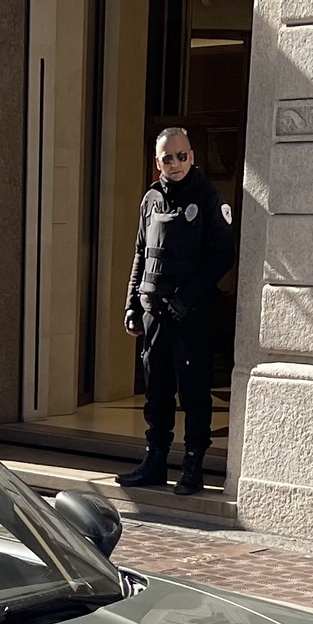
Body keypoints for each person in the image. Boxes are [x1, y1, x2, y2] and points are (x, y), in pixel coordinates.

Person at [120, 126, 236, 495]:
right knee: (156, 391)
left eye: (181, 155)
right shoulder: (150, 199)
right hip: (154, 312)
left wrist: (186, 299)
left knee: (194, 393)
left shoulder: (206, 197)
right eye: (167, 158)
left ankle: (192, 467)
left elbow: (223, 255)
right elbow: (140, 253)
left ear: (192, 156)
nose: (175, 163)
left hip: (192, 315)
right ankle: (155, 462)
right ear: (157, 163)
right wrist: (132, 305)